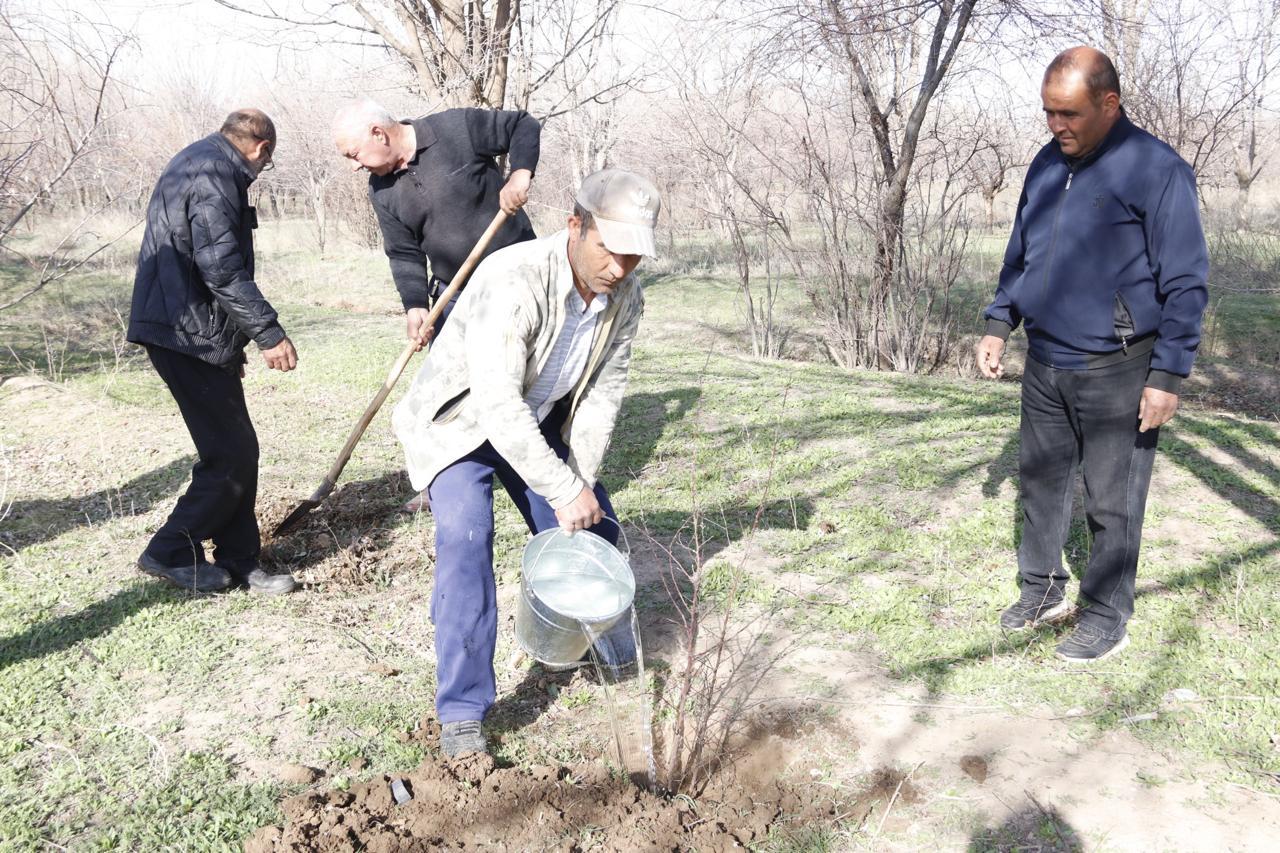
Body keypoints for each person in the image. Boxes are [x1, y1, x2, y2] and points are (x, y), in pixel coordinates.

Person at [391, 168, 661, 756]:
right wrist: (561, 489)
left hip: (532, 417)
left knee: (595, 527)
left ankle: (589, 636)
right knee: (466, 539)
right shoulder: (513, 278)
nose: (620, 268)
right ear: (574, 226)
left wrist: (579, 483)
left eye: (634, 255)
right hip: (461, 424)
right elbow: (495, 403)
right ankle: (463, 709)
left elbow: (603, 395)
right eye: (609, 249)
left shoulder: (626, 295)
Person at [977, 47, 1208, 662]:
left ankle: (1107, 614)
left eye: (1069, 113)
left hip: (1118, 367)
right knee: (1041, 483)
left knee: (1112, 499)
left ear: (1109, 104)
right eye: (1049, 112)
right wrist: (1000, 322)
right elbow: (1021, 252)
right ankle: (1042, 589)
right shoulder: (1046, 164)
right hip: (1045, 360)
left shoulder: (1156, 170)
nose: (1057, 125)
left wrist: (1168, 374)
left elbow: (1186, 282)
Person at [332, 98, 541, 512]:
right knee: (444, 392)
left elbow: (522, 124)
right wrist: (415, 305)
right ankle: (447, 480)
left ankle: (542, 465)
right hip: (454, 295)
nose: (354, 167)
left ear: (379, 133)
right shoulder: (381, 189)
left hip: (517, 280)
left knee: (524, 381)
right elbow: (403, 251)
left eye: (353, 155)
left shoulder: (455, 128)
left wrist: (520, 173)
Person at [127, 109, 300, 595]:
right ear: (261, 148)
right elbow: (220, 267)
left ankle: (240, 560)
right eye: (266, 161)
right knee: (230, 454)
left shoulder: (200, 161)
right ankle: (169, 549)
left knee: (236, 449)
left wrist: (230, 344)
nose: (262, 170)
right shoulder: (214, 174)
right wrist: (267, 333)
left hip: (193, 331)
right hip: (183, 333)